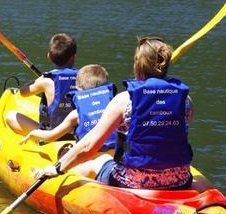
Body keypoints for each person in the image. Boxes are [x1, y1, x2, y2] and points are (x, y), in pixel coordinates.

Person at [35, 36, 194, 190]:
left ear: (137, 65)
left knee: (99, 161)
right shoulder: (185, 100)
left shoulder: (124, 100)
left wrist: (58, 167)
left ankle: (63, 184)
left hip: (133, 181)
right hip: (181, 180)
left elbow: (89, 146)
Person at [20, 64, 117, 152]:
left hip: (89, 156)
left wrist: (34, 133)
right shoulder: (116, 107)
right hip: (113, 154)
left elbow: (50, 137)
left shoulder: (76, 114)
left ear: (77, 88)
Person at [6, 33, 78, 138]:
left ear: (48, 56)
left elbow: (23, 93)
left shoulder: (45, 81)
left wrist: (37, 81)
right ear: (73, 57)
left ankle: (36, 137)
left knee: (10, 116)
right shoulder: (84, 76)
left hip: (52, 135)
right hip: (78, 133)